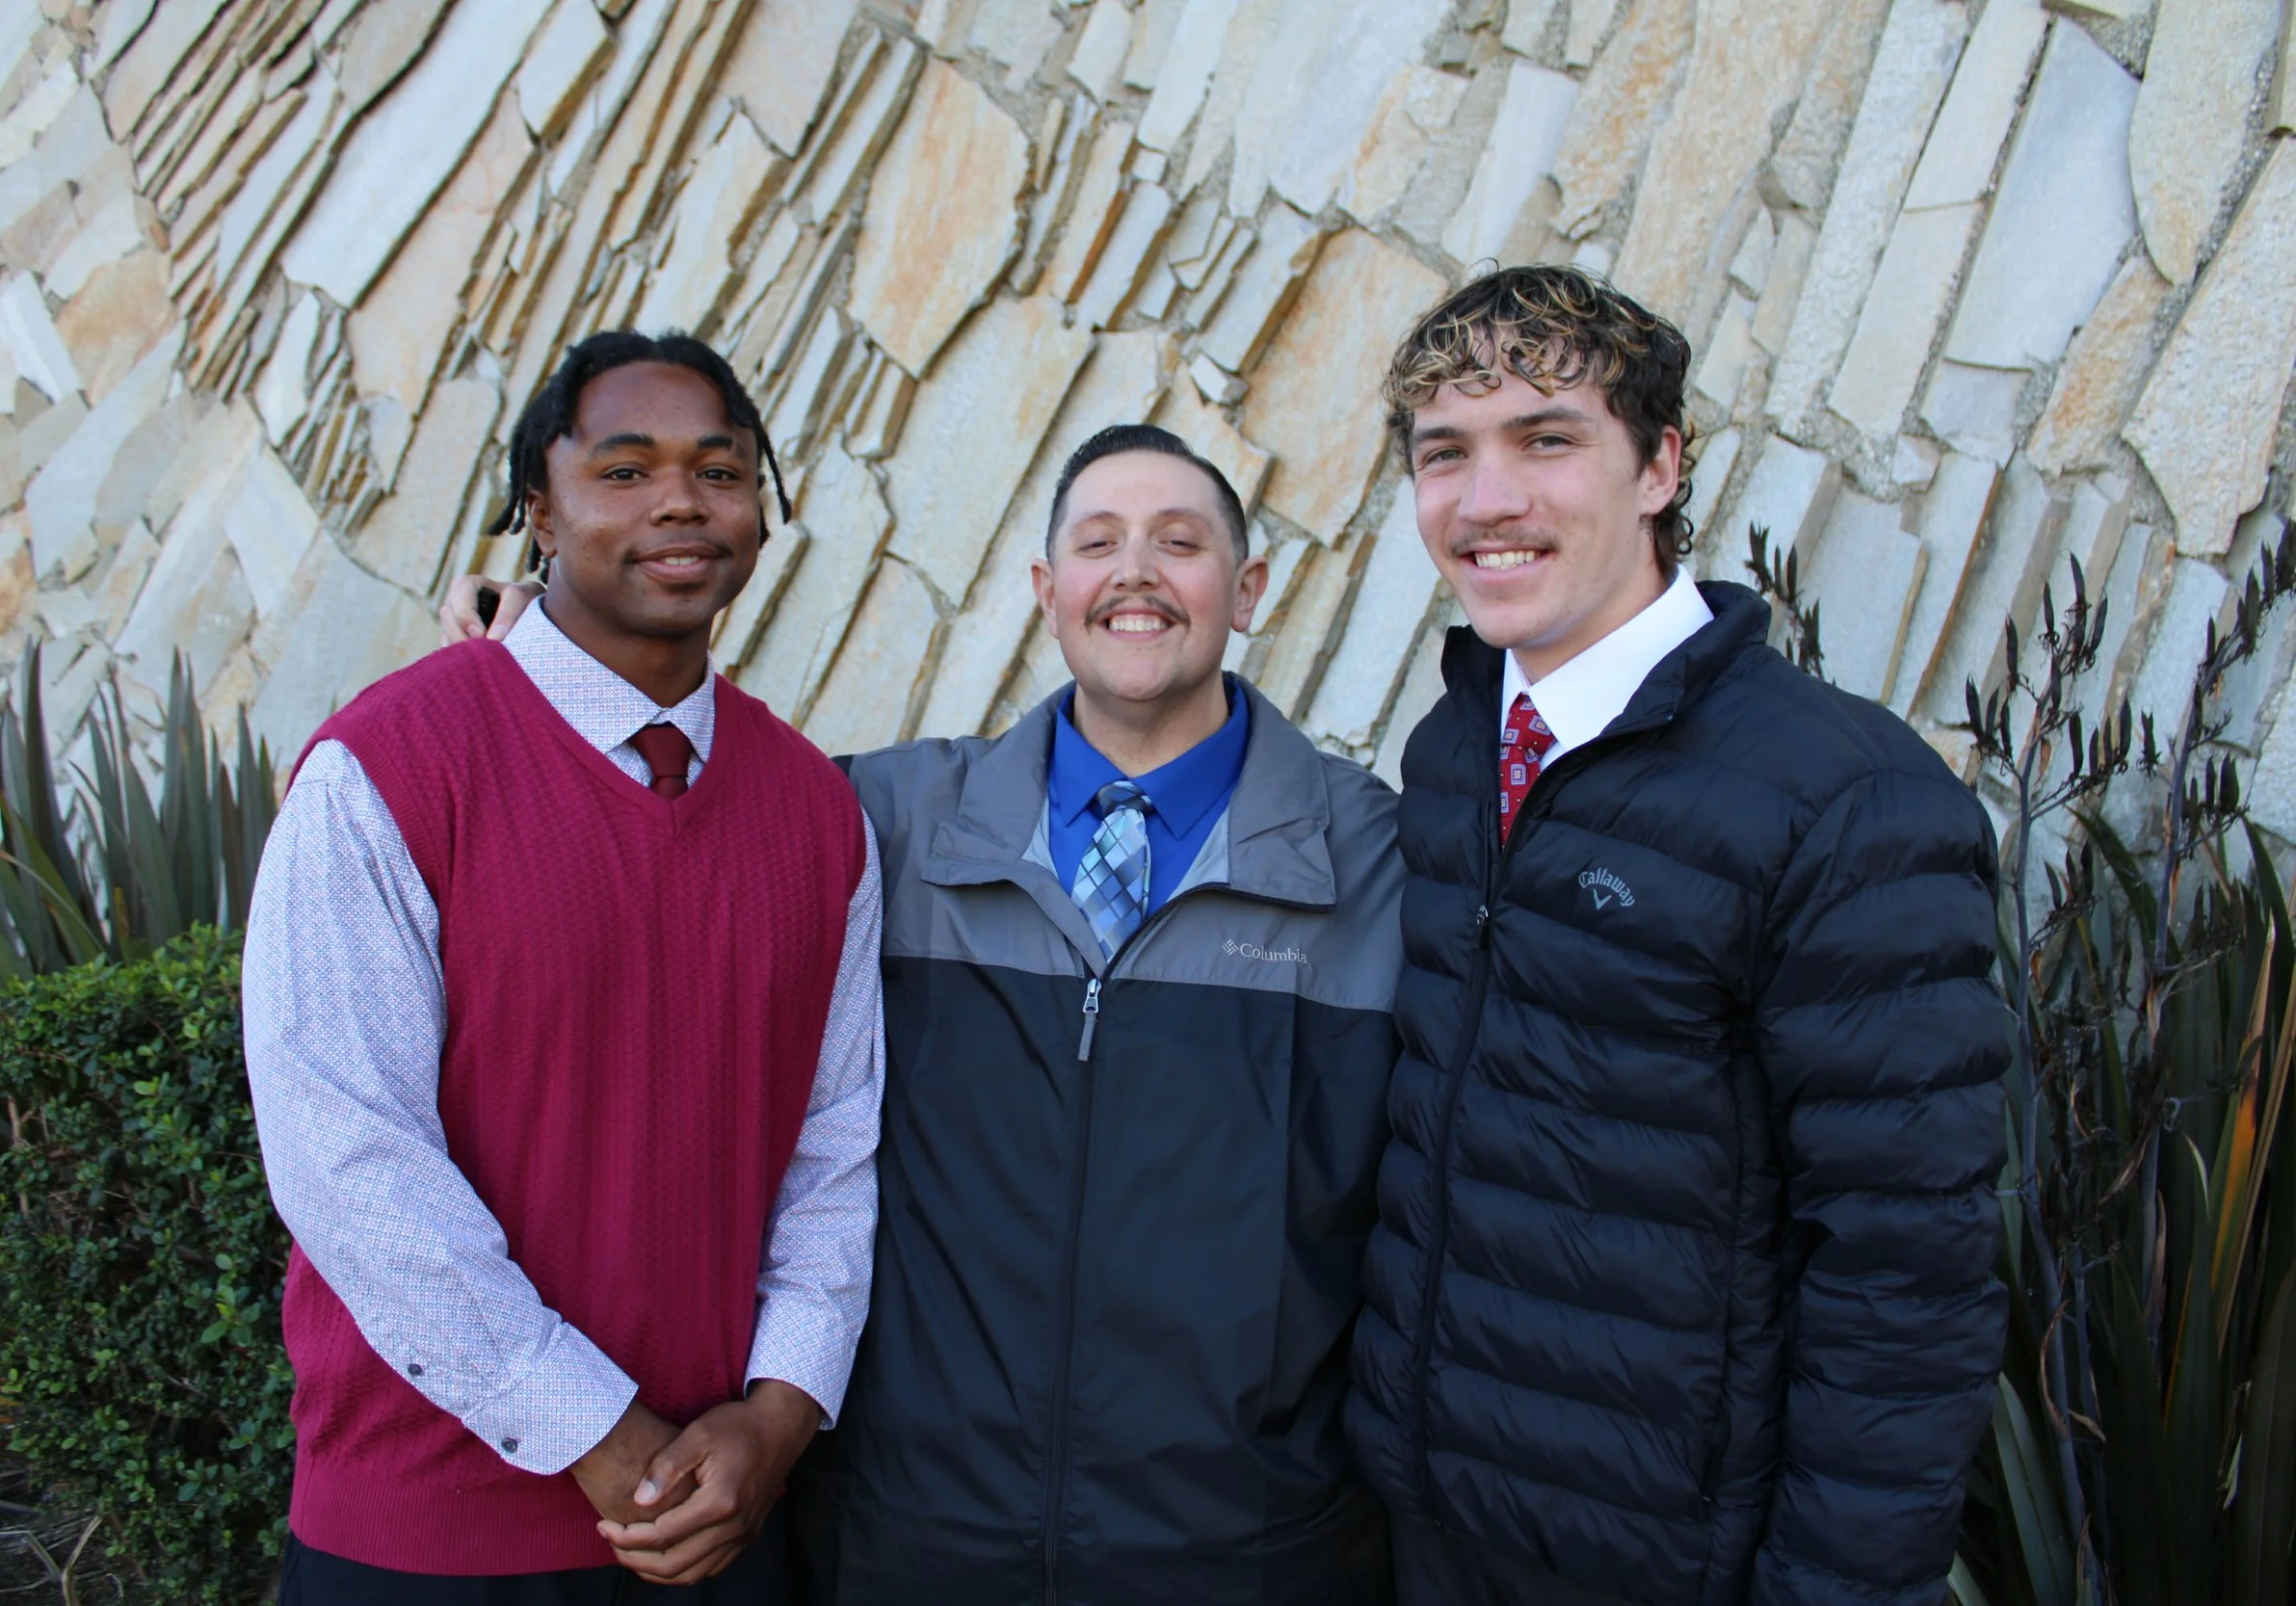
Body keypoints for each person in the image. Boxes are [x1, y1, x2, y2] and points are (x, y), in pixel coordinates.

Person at [448, 423, 1406, 1604]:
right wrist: (508, 678)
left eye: (1181, 542)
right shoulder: (880, 819)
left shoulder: (1380, 858)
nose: (1137, 574)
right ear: (1049, 593)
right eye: (1098, 543)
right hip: (915, 1536)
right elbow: (654, 816)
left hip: (1242, 1550)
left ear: (1247, 588)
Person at [1346, 264, 2010, 1606]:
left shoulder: (1846, 801)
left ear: (1659, 465)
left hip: (1673, 1559)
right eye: (1444, 454)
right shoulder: (1454, 749)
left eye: (1548, 439)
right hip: (1433, 1522)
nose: (1487, 500)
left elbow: (1907, 1275)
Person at [246, 329, 884, 1604]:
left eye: (721, 469)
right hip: (425, 1540)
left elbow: (833, 1149)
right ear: (538, 506)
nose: (680, 504)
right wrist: (596, 1430)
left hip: (718, 1523)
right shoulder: (386, 769)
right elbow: (347, 1155)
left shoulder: (819, 812)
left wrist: (779, 1414)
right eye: (625, 469)